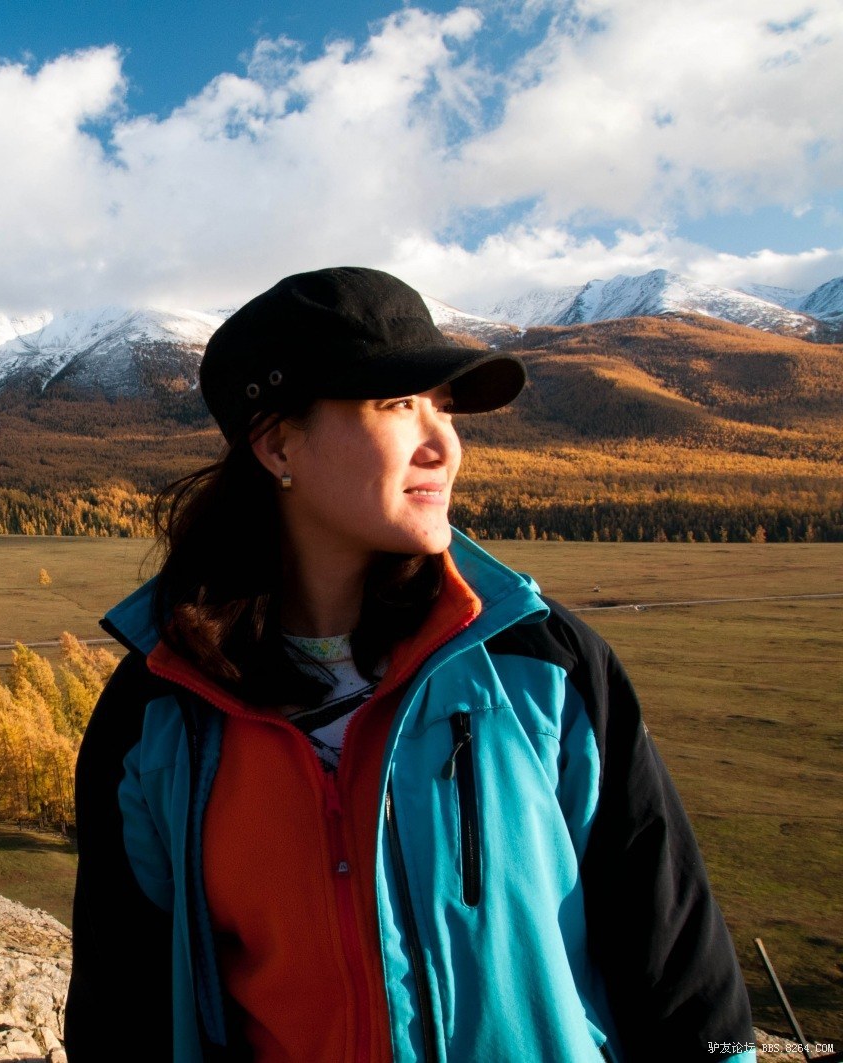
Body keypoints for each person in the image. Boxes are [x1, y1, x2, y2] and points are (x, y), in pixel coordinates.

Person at [63, 268, 754, 1063]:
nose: (444, 444)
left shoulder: (538, 663)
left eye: (444, 405)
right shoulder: (161, 709)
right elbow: (126, 1008)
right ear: (278, 441)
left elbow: (677, 960)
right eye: (397, 405)